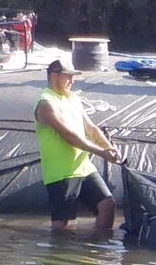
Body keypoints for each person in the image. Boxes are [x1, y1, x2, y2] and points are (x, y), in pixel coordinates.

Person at [33, 57, 123, 238]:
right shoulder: (46, 103)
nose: (72, 81)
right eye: (68, 77)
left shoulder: (72, 97)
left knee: (107, 204)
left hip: (83, 167)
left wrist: (109, 147)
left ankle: (98, 245)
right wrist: (100, 152)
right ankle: (61, 255)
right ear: (54, 76)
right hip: (61, 172)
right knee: (62, 224)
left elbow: (90, 128)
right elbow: (69, 135)